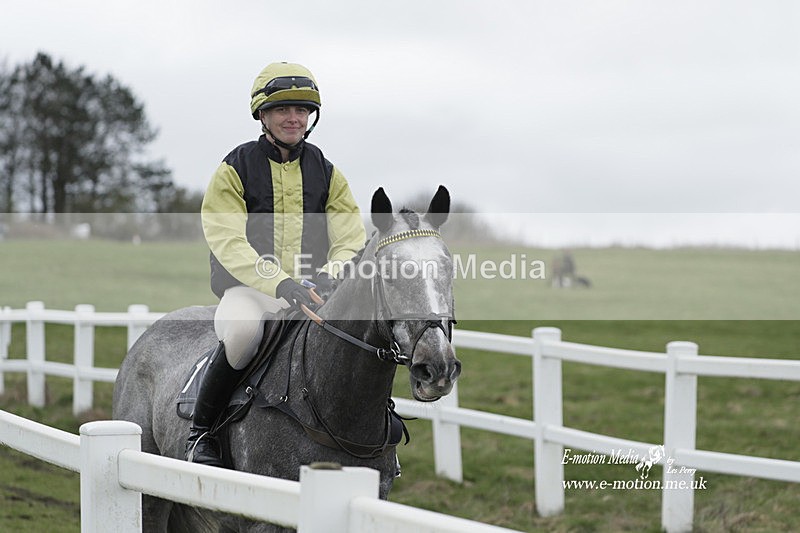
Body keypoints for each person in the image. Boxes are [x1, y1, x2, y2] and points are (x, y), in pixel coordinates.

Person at [186, 62, 366, 466]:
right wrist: (280, 282)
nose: (294, 118)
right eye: (283, 109)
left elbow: (351, 237)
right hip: (250, 293)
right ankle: (201, 433)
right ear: (262, 115)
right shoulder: (234, 168)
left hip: (314, 294)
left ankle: (370, 438)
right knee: (243, 335)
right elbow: (227, 239)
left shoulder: (327, 171)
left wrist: (329, 276)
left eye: (302, 110)